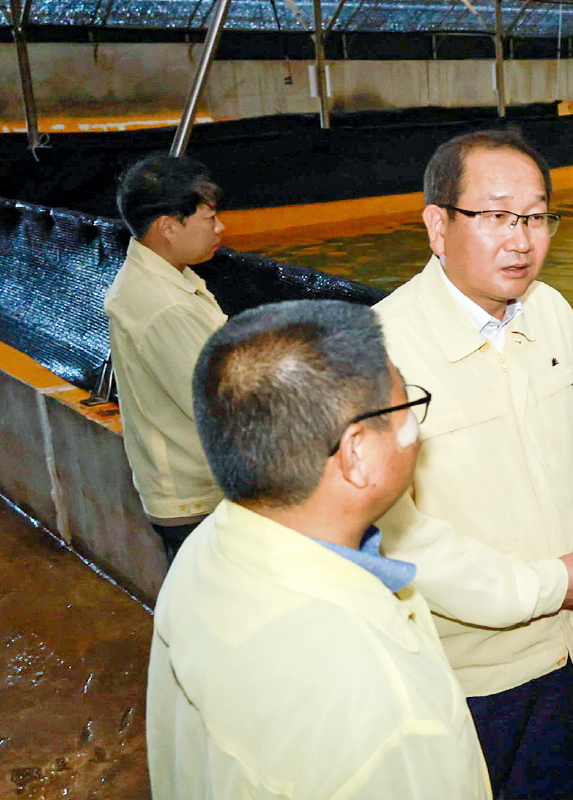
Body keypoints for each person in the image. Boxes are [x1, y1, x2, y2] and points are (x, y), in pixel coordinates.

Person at [373, 129, 573, 799]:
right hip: (460, 679)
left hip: (566, 655)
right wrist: (552, 584)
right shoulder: (381, 349)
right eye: (495, 215)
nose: (521, 239)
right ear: (438, 225)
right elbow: (400, 535)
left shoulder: (552, 313)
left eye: (536, 216)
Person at [147, 299, 490, 799]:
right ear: (355, 454)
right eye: (404, 407)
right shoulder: (386, 713)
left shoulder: (208, 547)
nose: (416, 429)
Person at [105, 153, 228, 561]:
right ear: (167, 227)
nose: (221, 228)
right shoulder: (165, 307)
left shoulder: (165, 276)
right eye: (209, 220)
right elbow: (221, 405)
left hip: (189, 493)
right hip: (198, 501)